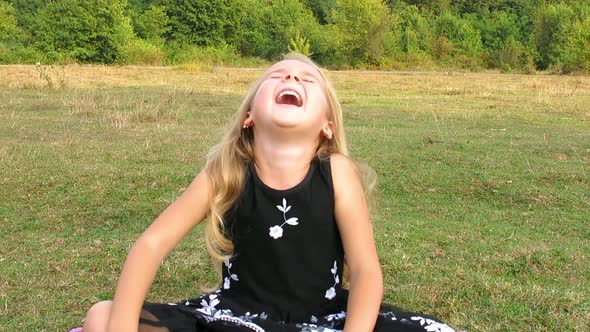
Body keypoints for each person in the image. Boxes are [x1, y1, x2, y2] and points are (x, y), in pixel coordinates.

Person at [79, 53, 456, 332]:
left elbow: (366, 271)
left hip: (323, 321)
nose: (291, 75)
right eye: (276, 75)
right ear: (249, 116)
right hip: (235, 318)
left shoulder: (337, 173)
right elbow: (152, 244)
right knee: (102, 317)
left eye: (308, 79)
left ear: (326, 125)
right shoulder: (225, 170)